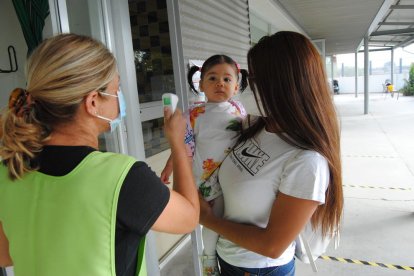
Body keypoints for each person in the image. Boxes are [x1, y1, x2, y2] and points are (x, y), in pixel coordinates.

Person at [0, 34, 199, 276]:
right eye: (117, 89)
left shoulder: (9, 168)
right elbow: (189, 217)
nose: (120, 98)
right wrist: (178, 143)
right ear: (93, 101)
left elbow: (5, 253)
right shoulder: (122, 178)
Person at [199, 31, 344, 276]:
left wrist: (207, 219)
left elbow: (273, 245)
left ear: (284, 85)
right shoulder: (257, 125)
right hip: (229, 257)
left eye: (254, 79)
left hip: (259, 270)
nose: (247, 87)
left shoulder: (306, 161)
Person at [160, 55, 248, 276]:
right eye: (212, 78)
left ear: (236, 86)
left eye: (227, 79)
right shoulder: (194, 114)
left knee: (231, 218)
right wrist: (169, 167)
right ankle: (208, 261)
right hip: (206, 178)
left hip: (234, 175)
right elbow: (183, 146)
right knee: (213, 220)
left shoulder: (239, 109)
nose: (220, 83)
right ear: (201, 84)